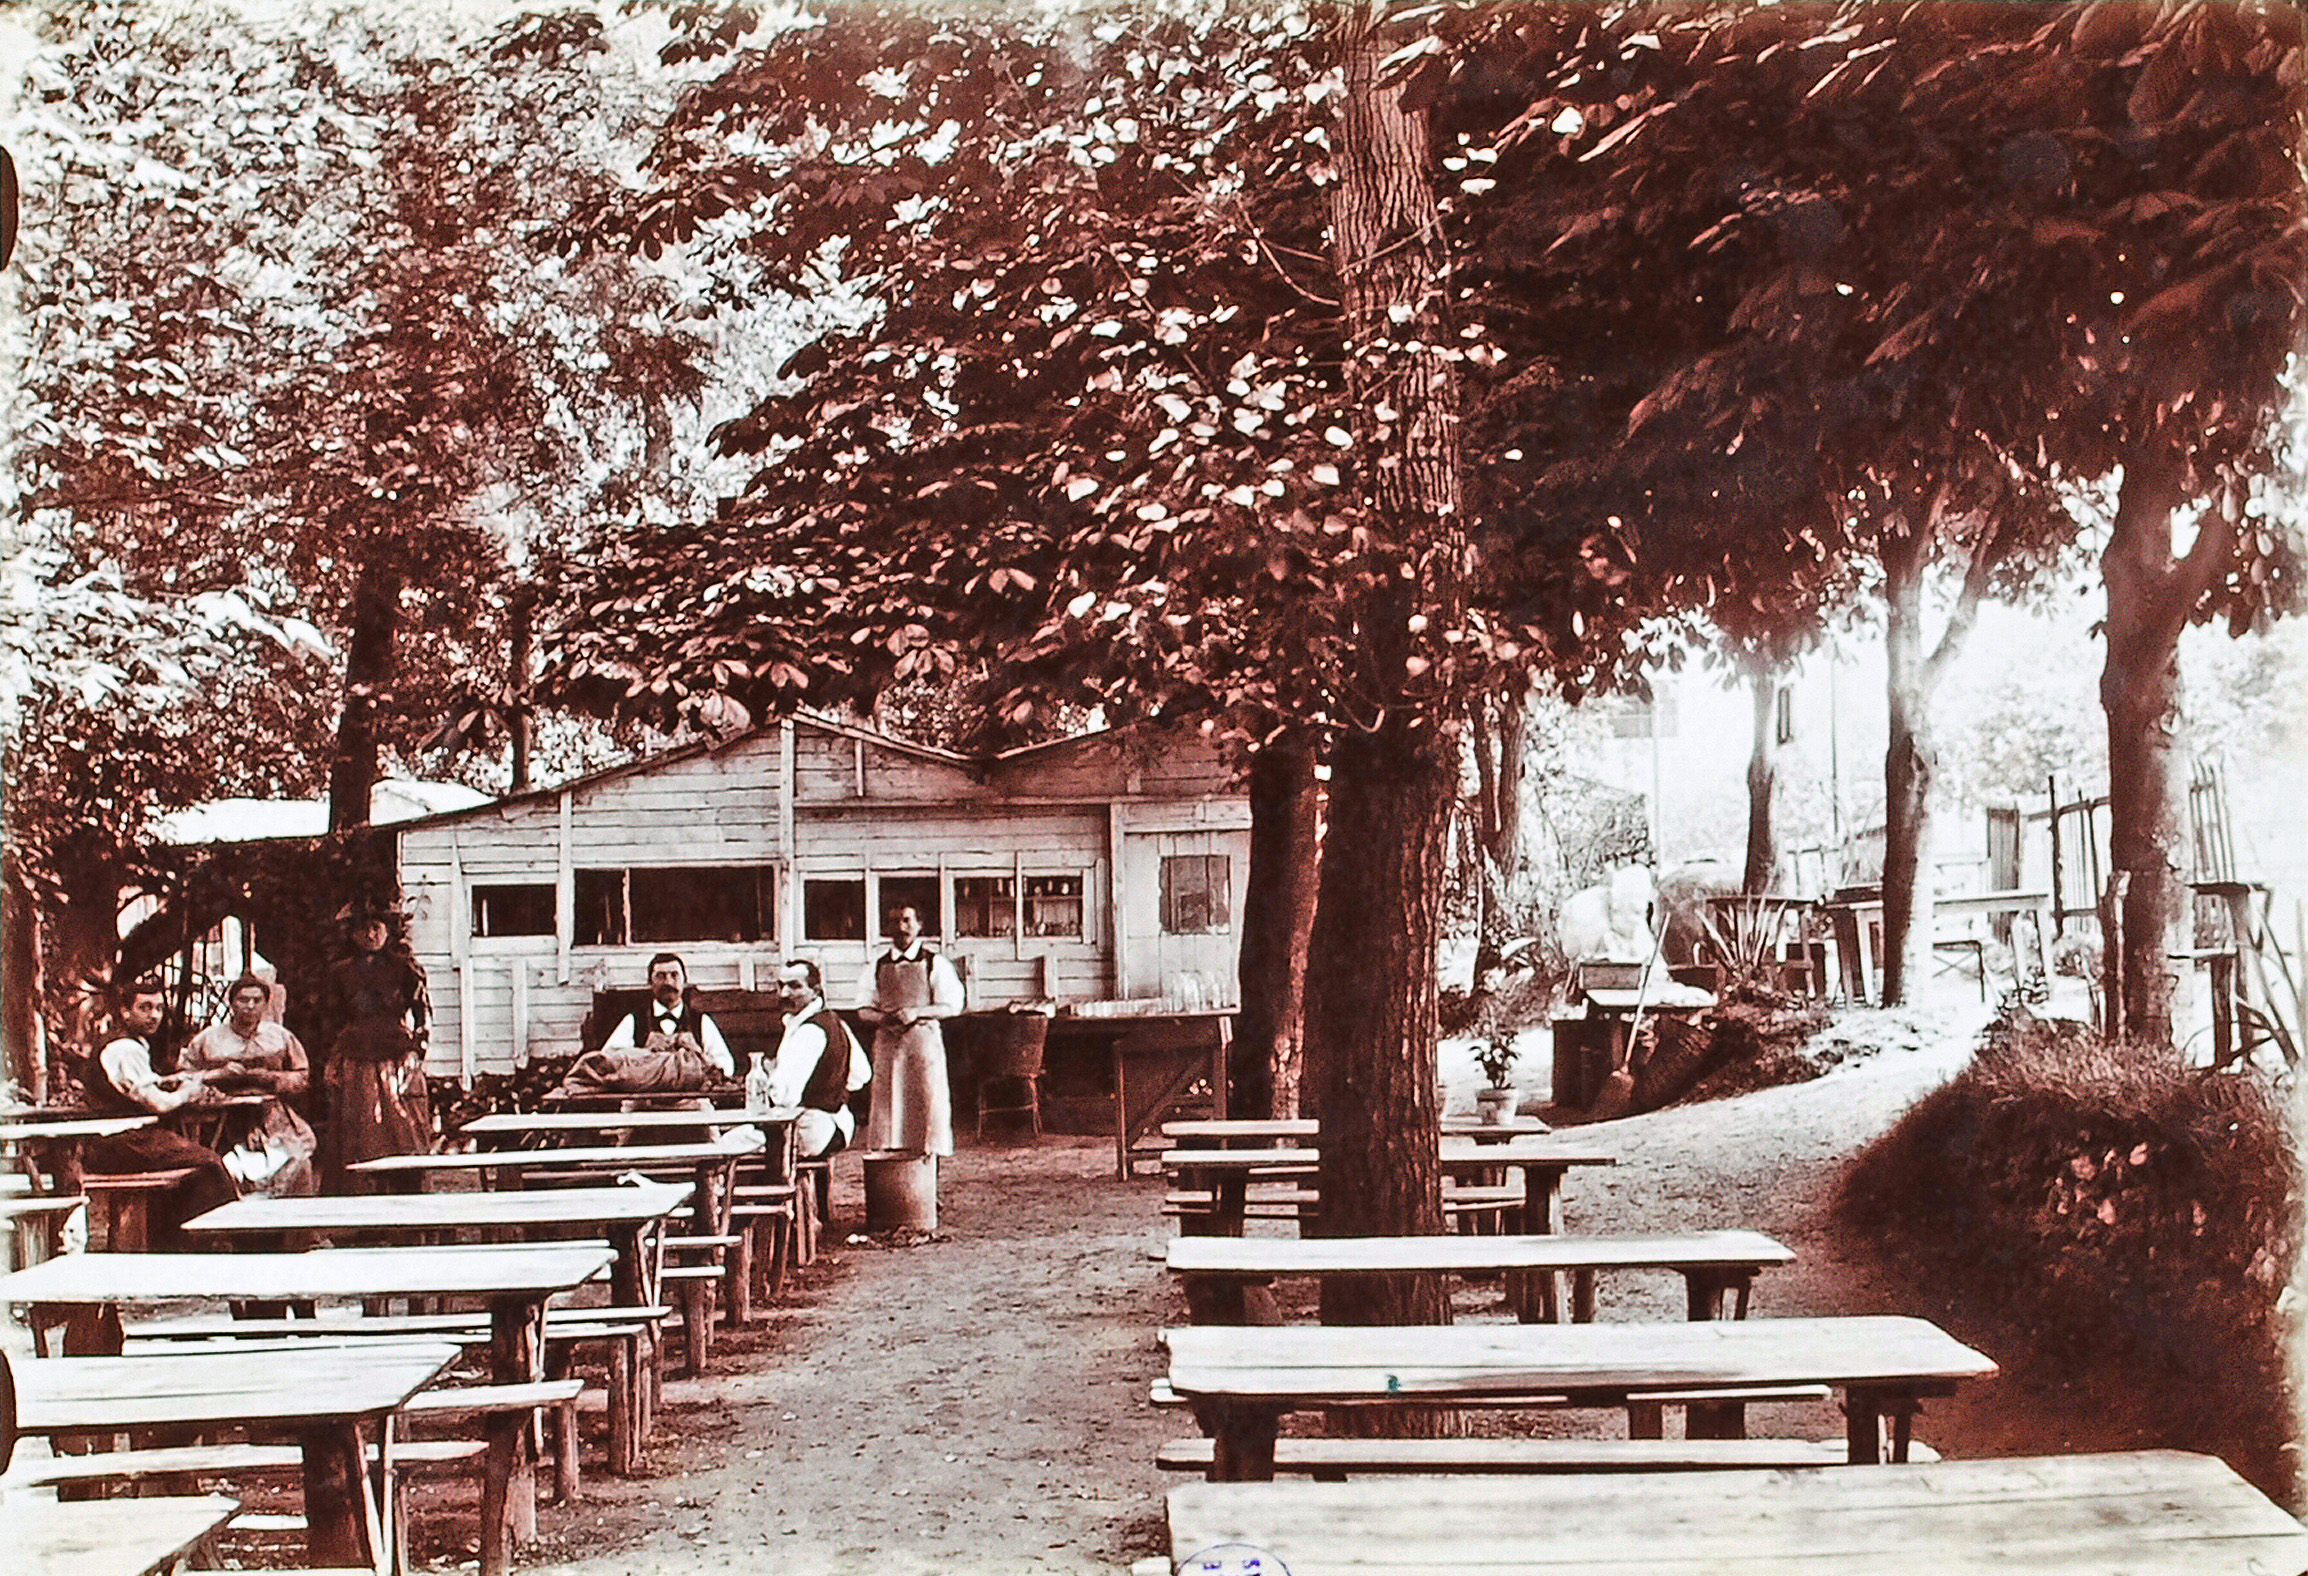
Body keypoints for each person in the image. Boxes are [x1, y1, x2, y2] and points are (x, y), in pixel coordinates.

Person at [76, 979, 239, 1244]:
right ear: (125, 1012)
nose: (154, 1015)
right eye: (145, 1007)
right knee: (211, 1165)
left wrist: (171, 1082)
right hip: (119, 1143)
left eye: (159, 1009)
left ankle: (175, 1240)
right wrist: (189, 1092)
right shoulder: (124, 1048)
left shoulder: (133, 1043)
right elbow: (159, 1104)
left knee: (196, 1163)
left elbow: (140, 1087)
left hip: (124, 1140)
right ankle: (205, 1243)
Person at [319, 896, 434, 1193]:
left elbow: (422, 1014)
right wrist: (334, 1059)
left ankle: (407, 1191)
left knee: (404, 1125)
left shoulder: (405, 968)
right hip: (357, 1058)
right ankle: (361, 1195)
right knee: (362, 1126)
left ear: (388, 930)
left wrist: (416, 1051)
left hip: (397, 1057)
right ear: (352, 934)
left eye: (376, 928)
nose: (371, 935)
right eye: (363, 929)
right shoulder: (340, 972)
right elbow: (331, 1020)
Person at [180, 974, 318, 1198]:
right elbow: (184, 1077)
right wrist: (217, 1075)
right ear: (232, 1003)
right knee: (224, 1168)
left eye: (257, 1000)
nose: (250, 1006)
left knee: (295, 1158)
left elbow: (302, 1075)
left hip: (272, 1117)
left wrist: (272, 1078)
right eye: (243, 1000)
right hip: (220, 1121)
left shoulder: (279, 1037)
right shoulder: (208, 1039)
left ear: (265, 1003)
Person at [854, 904, 961, 1160]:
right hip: (888, 1046)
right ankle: (892, 1174)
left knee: (926, 1107)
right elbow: (862, 1008)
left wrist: (917, 1012)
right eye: (894, 922)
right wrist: (883, 1017)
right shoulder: (877, 966)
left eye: (906, 920)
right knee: (887, 1109)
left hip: (922, 1046)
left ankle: (927, 1174)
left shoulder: (935, 963)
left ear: (919, 925)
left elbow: (952, 1006)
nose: (901, 927)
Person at [556, 952, 734, 1096]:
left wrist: (695, 1054)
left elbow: (726, 1065)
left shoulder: (701, 1021)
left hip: (691, 1103)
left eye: (674, 975)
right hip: (641, 1104)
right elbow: (609, 1061)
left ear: (684, 981)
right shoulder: (634, 1021)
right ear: (650, 982)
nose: (668, 982)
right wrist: (644, 1057)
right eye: (660, 976)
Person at [770, 958, 872, 1158]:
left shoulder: (809, 1031)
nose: (784, 994)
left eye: (794, 986)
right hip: (839, 1127)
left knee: (730, 1143)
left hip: (809, 1130)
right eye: (781, 986)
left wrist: (769, 1080)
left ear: (815, 991)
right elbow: (861, 1076)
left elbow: (784, 1096)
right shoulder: (833, 1020)